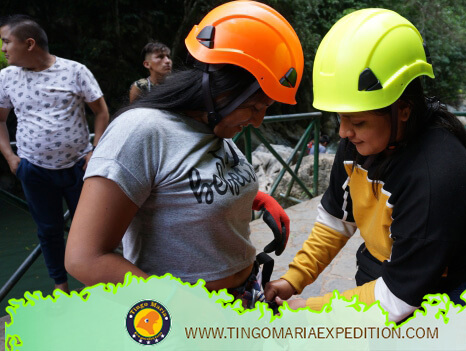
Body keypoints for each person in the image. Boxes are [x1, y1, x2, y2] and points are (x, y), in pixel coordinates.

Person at [65, 1, 303, 308]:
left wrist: (256, 198)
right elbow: (85, 258)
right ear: (220, 88)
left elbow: (191, 188)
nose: (258, 121)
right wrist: (179, 306)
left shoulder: (216, 129)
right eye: (255, 106)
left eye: (266, 109)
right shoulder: (141, 131)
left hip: (246, 295)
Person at [264, 8, 466, 323]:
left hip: (444, 299)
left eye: (357, 120)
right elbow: (336, 220)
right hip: (384, 274)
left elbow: (399, 297)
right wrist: (294, 279)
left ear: (404, 109)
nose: (343, 132)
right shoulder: (361, 142)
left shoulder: (435, 177)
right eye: (339, 117)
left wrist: (312, 308)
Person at [0, 15, 110, 293]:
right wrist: (11, 158)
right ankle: (60, 287)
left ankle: (95, 287)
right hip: (34, 170)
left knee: (91, 232)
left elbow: (101, 112)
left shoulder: (75, 71)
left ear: (29, 43)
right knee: (48, 231)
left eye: (6, 41)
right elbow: (1, 120)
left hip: (79, 167)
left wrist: (96, 152)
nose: (3, 48)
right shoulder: (6, 77)